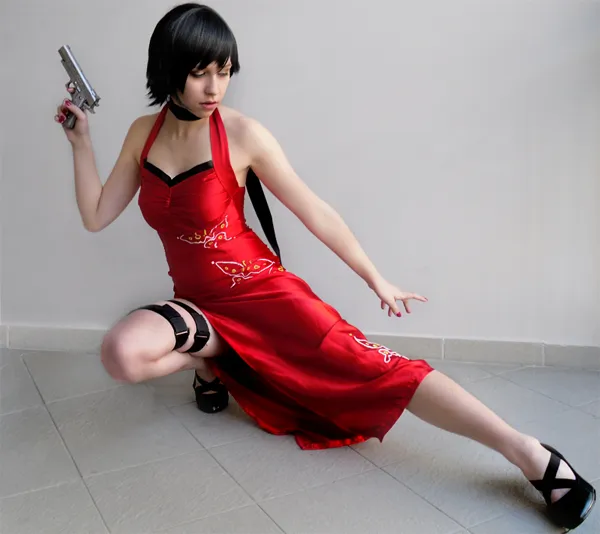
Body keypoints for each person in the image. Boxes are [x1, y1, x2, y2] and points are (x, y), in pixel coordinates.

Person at [54, 2, 595, 529]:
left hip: (264, 295)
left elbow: (314, 210)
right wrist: (81, 144)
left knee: (383, 370)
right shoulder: (142, 134)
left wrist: (375, 277)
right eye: (200, 74)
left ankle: (529, 454)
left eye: (225, 71)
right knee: (121, 354)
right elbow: (97, 215)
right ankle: (212, 357)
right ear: (168, 70)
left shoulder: (241, 134)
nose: (215, 88)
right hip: (199, 303)